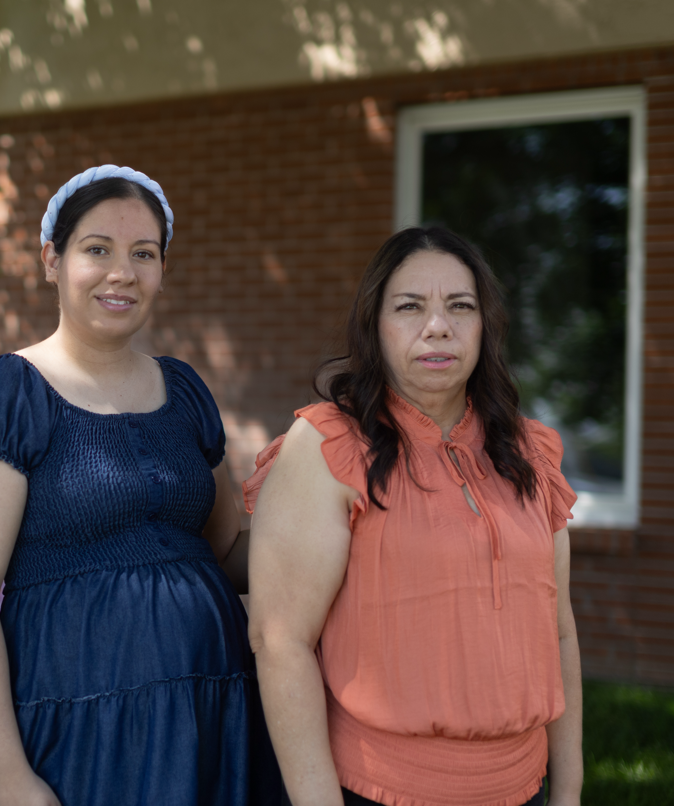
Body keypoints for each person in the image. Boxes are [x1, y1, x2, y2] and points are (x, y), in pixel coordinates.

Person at [0, 165, 280, 806]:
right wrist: (9, 777)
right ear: (51, 260)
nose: (123, 273)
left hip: (210, 713)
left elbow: (227, 556)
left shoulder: (184, 390)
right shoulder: (6, 395)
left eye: (144, 254)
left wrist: (332, 516)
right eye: (98, 250)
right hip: (75, 731)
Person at [244, 227, 583, 806]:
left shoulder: (529, 451)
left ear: (484, 326)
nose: (438, 326)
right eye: (410, 307)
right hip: (377, 790)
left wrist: (569, 792)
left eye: (460, 306)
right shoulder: (328, 447)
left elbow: (559, 630)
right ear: (375, 325)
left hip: (524, 786)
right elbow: (280, 642)